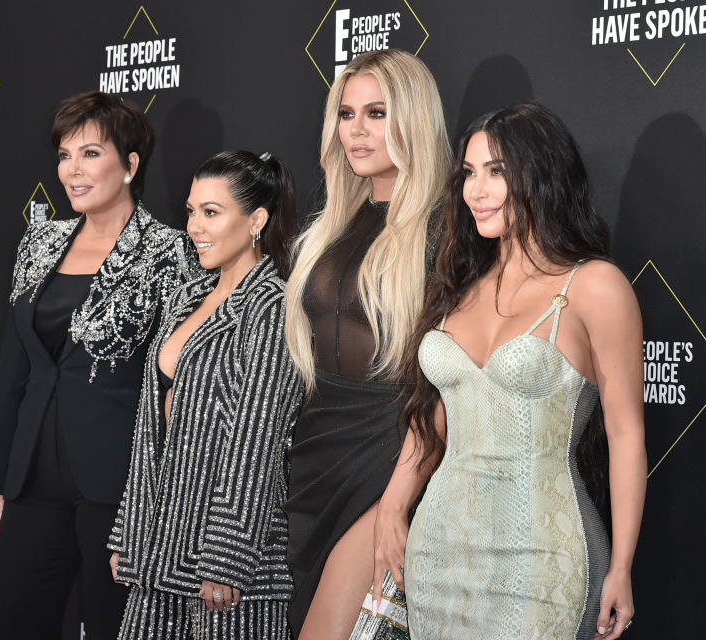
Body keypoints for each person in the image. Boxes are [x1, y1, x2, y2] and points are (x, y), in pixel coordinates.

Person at [372, 103, 647, 640]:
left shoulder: (593, 286)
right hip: (439, 552)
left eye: (496, 171)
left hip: (542, 557)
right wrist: (392, 506)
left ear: (542, 174)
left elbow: (626, 434)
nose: (476, 190)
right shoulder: (459, 287)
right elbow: (433, 420)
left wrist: (621, 566)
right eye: (469, 173)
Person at [0, 90, 202, 639]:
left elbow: (173, 380)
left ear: (130, 164)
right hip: (31, 478)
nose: (72, 171)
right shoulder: (39, 241)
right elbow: (15, 368)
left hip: (119, 483)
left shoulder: (171, 252)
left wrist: (160, 498)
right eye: (64, 156)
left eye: (90, 154)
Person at [283, 49, 451, 639]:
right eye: (347, 114)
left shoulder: (445, 230)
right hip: (314, 454)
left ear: (413, 119)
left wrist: (400, 496)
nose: (356, 130)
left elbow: (446, 382)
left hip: (388, 452)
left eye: (376, 113)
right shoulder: (333, 225)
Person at [109, 150, 303, 639]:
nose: (194, 226)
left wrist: (228, 558)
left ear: (256, 220)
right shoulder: (187, 297)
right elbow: (149, 431)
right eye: (191, 210)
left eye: (212, 212)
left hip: (226, 571)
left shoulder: (272, 309)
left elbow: (256, 440)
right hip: (160, 549)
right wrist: (129, 533)